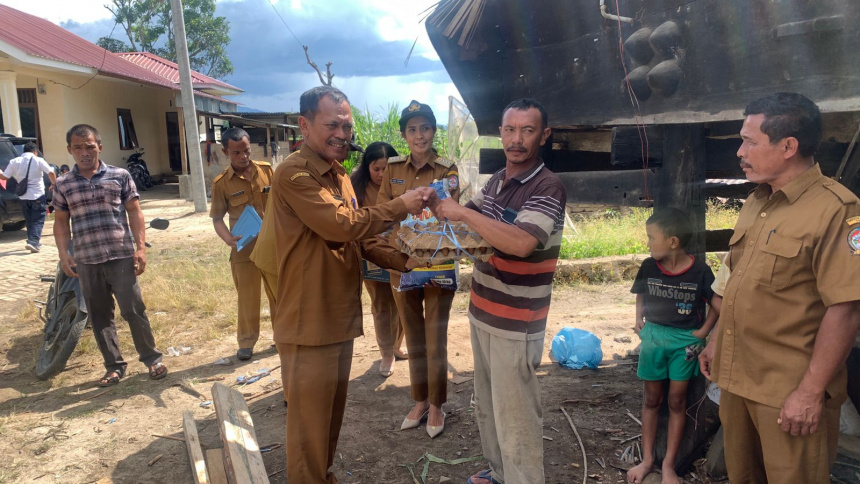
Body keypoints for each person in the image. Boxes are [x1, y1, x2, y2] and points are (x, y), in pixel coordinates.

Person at [271, 86, 433, 484]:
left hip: (337, 315)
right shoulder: (294, 173)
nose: (342, 133)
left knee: (329, 418)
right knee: (309, 427)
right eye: (332, 124)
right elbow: (339, 225)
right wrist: (401, 205)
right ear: (304, 125)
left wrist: (406, 261)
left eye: (347, 124)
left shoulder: (338, 175)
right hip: (308, 319)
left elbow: (359, 240)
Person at [698, 92, 860, 483]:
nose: (740, 151)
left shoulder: (838, 211)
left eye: (750, 141)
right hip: (738, 380)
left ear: (789, 146)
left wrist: (809, 392)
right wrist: (717, 336)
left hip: (787, 390)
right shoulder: (757, 201)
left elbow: (847, 308)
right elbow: (738, 280)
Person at [434, 98, 567, 484]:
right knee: (489, 406)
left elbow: (521, 243)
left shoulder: (548, 186)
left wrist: (463, 214)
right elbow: (467, 221)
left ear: (544, 135)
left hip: (517, 321)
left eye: (527, 130)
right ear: (501, 133)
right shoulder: (497, 180)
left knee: (517, 416)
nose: (517, 139)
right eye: (510, 130)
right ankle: (498, 473)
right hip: (483, 309)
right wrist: (437, 206)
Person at [51, 124, 166, 386]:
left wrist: (139, 248)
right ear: (70, 150)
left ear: (99, 147)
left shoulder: (120, 175)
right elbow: (60, 222)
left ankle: (152, 360)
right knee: (100, 315)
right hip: (87, 260)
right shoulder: (64, 184)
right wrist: (63, 254)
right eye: (78, 147)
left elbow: (135, 212)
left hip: (120, 256)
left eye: (89, 146)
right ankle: (114, 366)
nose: (84, 152)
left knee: (134, 310)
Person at [377, 100, 460, 438]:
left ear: (433, 131)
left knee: (434, 334)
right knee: (412, 333)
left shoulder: (447, 169)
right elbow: (384, 212)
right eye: (412, 129)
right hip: (404, 264)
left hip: (438, 262)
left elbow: (453, 208)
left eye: (425, 128)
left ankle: (438, 403)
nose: (419, 135)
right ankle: (419, 399)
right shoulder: (393, 170)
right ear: (404, 134)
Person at [626, 208, 718, 484]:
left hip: (685, 343)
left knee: (677, 400)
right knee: (652, 399)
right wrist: (638, 317)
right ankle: (647, 460)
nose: (648, 244)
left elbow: (717, 304)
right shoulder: (649, 265)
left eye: (652, 238)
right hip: (654, 337)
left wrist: (703, 332)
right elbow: (640, 291)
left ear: (673, 242)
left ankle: (668, 466)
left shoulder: (701, 271)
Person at [210, 127, 274, 361]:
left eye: (246, 151)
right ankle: (246, 342)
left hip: (272, 244)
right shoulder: (221, 183)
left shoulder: (266, 171)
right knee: (248, 297)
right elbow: (217, 218)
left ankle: (283, 335)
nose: (243, 157)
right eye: (237, 153)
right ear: (226, 151)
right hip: (243, 247)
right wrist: (227, 238)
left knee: (278, 293)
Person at [350, 141, 408, 377]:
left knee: (404, 302)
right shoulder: (356, 187)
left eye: (386, 168)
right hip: (372, 255)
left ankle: (396, 345)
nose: (382, 174)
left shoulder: (404, 182)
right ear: (367, 168)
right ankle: (386, 353)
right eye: (376, 169)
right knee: (382, 305)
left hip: (401, 253)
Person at [0, 142, 56, 252]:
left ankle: (32, 241)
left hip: (23, 196)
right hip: (37, 195)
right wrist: (54, 184)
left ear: (24, 151)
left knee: (29, 220)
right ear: (35, 151)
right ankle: (33, 242)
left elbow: (4, 177)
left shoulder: (14, 161)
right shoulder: (38, 160)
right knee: (38, 219)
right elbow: (51, 172)